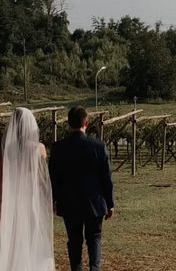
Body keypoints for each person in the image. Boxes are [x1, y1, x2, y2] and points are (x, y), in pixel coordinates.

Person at [49, 106, 115, 271]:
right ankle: (95, 268)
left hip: (69, 203)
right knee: (94, 238)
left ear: (68, 124)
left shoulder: (58, 148)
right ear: (87, 122)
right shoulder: (99, 146)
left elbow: (54, 178)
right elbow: (106, 178)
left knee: (74, 241)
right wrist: (110, 202)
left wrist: (54, 200)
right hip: (95, 203)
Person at [0, 107, 55, 270]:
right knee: (32, 234)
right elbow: (42, 179)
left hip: (12, 198)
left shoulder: (7, 149)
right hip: (31, 198)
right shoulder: (39, 148)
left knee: (14, 235)